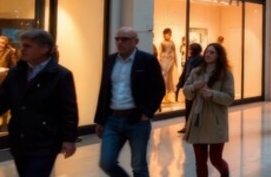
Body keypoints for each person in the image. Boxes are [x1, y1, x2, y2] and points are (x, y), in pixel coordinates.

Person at [0, 29, 78, 176]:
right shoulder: (16, 73)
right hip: (19, 140)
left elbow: (68, 109)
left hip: (45, 140)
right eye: (21, 45)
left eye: (27, 46)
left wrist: (69, 139)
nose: (22, 49)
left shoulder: (60, 75)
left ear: (44, 49)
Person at [95, 27, 167, 177]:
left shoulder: (147, 60)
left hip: (137, 120)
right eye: (117, 39)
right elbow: (104, 90)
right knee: (106, 162)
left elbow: (159, 89)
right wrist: (100, 120)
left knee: (138, 165)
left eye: (125, 39)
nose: (120, 42)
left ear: (136, 42)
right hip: (113, 119)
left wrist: (147, 113)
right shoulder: (110, 60)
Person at [180, 43, 234, 177]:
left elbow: (229, 98)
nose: (208, 55)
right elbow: (186, 91)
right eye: (206, 52)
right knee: (200, 161)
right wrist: (193, 87)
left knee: (215, 159)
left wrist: (213, 94)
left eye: (212, 52)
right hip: (197, 119)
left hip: (215, 120)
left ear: (219, 55)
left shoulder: (225, 74)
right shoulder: (196, 71)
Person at [176, 43, 203, 133]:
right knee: (188, 108)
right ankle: (187, 126)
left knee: (194, 108)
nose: (189, 50)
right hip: (188, 86)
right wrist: (180, 82)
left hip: (196, 87)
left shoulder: (201, 60)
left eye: (191, 49)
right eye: (190, 49)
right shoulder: (189, 60)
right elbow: (185, 72)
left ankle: (194, 127)